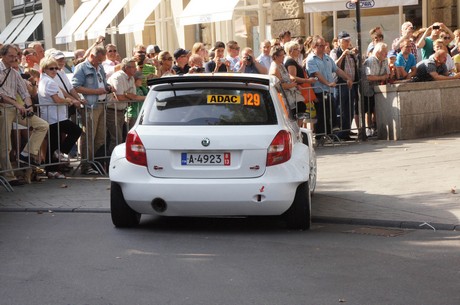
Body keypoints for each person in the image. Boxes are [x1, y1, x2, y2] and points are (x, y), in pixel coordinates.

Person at [0, 44, 48, 186]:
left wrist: (28, 106)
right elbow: (1, 95)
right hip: (3, 109)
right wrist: (18, 104)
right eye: (11, 56)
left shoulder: (14, 72)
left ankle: (26, 154)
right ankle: (9, 176)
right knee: (5, 145)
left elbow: (25, 93)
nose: (15, 59)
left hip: (15, 108)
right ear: (2, 56)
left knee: (42, 125)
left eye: (16, 56)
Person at [38, 57, 82, 179]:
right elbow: (57, 100)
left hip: (53, 116)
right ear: (44, 69)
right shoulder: (49, 81)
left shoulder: (46, 80)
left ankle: (51, 170)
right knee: (76, 131)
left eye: (56, 68)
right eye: (51, 68)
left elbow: (60, 92)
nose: (54, 71)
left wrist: (72, 99)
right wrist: (68, 100)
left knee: (52, 144)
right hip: (55, 117)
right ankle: (61, 152)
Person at [72, 46, 114, 175]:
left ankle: (97, 163)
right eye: (98, 60)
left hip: (101, 104)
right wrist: (95, 91)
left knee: (100, 137)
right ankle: (86, 165)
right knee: (89, 136)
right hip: (90, 106)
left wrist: (108, 87)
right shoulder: (82, 68)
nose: (100, 63)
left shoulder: (100, 67)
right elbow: (75, 87)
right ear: (92, 56)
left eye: (101, 61)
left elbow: (102, 82)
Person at [306, 35, 353, 138]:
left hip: (329, 90)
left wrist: (347, 78)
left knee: (329, 113)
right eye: (320, 46)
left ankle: (329, 134)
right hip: (319, 91)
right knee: (321, 115)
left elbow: (337, 70)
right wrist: (327, 83)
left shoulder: (327, 58)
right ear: (314, 46)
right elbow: (317, 74)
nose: (323, 48)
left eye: (324, 45)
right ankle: (319, 136)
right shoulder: (311, 60)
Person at [107, 58, 145, 154]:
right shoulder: (118, 77)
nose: (135, 69)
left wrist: (127, 95)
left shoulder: (131, 78)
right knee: (116, 138)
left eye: (135, 67)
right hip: (111, 111)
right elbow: (120, 97)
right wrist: (128, 96)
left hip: (122, 111)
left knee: (120, 138)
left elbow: (133, 95)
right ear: (125, 68)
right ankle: (111, 162)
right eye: (132, 67)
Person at [329, 31, 360, 140]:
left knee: (350, 109)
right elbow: (334, 66)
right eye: (345, 41)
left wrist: (356, 54)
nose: (348, 43)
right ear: (339, 42)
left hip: (351, 84)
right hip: (340, 84)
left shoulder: (350, 52)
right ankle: (340, 134)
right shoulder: (334, 52)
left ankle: (346, 131)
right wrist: (343, 54)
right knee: (340, 109)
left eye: (348, 41)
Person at [362, 42, 390, 137]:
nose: (386, 54)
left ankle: (375, 127)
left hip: (379, 88)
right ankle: (368, 128)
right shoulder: (370, 61)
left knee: (376, 108)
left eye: (386, 52)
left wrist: (384, 77)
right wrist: (381, 78)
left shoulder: (385, 60)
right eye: (384, 52)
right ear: (378, 52)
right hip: (368, 88)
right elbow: (369, 77)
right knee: (368, 109)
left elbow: (388, 74)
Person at [269, 46, 300, 119]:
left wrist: (293, 81)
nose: (283, 57)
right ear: (275, 56)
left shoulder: (281, 65)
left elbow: (287, 76)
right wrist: (291, 85)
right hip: (282, 98)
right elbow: (279, 86)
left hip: (288, 96)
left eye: (284, 55)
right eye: (281, 55)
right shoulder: (274, 68)